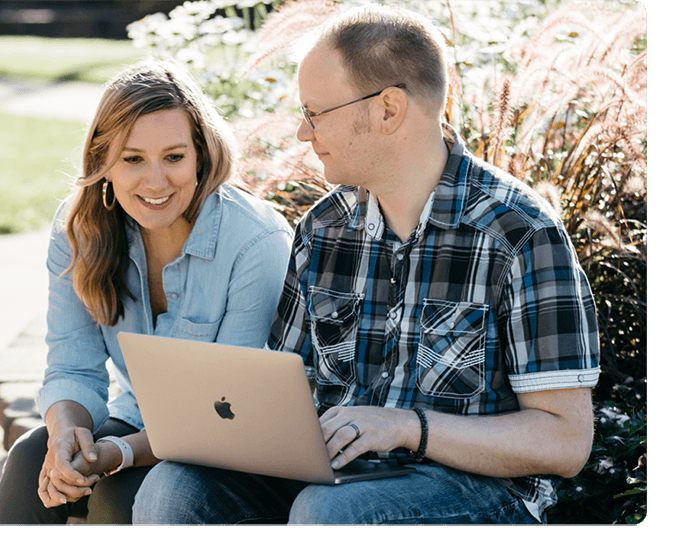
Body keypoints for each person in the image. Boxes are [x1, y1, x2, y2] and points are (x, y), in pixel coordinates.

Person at [131, 4, 600, 525]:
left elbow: (565, 439)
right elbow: (289, 393)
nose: (303, 133)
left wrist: (406, 427)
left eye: (315, 112)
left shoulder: (519, 233)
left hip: (480, 493)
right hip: (335, 476)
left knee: (327, 512)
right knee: (174, 488)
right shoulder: (322, 229)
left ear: (388, 110)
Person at [0, 59, 293, 524]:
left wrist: (114, 453)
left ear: (200, 157)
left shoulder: (255, 242)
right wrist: (67, 434)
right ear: (103, 162)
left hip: (231, 443)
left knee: (117, 497)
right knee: (33, 458)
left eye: (174, 157)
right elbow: (72, 363)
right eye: (133, 159)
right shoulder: (80, 231)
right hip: (140, 418)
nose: (155, 182)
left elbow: (228, 410)